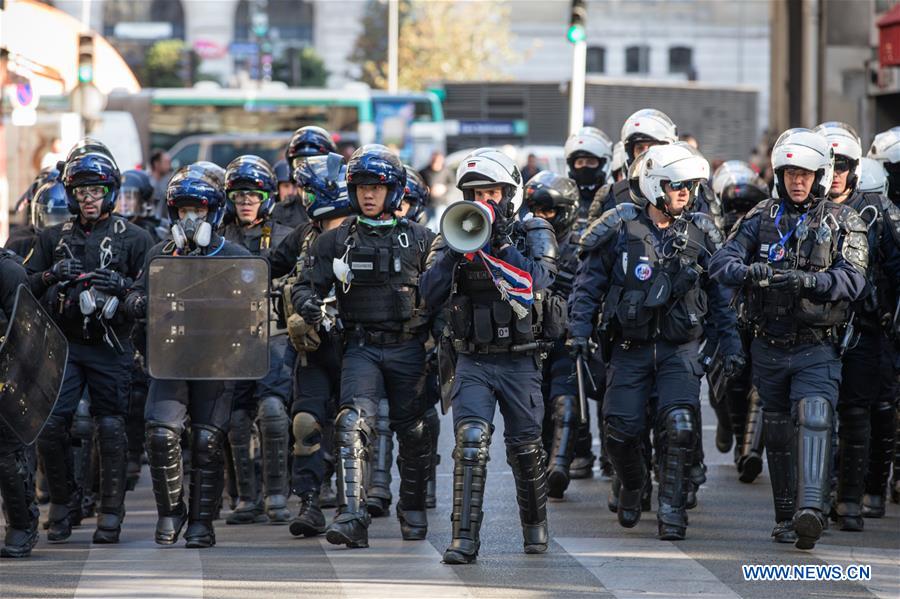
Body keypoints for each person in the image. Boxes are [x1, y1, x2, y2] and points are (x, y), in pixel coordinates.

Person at [570, 143, 739, 541]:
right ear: (653, 185)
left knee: (679, 427)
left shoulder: (702, 233)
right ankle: (632, 484)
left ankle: (673, 511)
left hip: (680, 351)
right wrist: (578, 332)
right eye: (676, 185)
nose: (685, 193)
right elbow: (587, 286)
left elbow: (720, 297)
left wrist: (729, 344)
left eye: (691, 186)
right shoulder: (619, 228)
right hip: (629, 349)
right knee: (620, 430)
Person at [709, 128, 868, 550]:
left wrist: (810, 281)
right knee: (777, 429)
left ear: (820, 175)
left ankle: (812, 510)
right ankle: (785, 518)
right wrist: (748, 272)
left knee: (815, 415)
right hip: (769, 344)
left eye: (806, 174)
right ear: (779, 175)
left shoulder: (844, 220)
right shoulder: (760, 216)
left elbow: (854, 279)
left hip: (818, 344)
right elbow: (721, 262)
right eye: (790, 173)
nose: (798, 181)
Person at [291, 144, 436, 549]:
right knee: (351, 423)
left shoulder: (424, 240)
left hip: (409, 347)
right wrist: (310, 306)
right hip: (360, 346)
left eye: (377, 187)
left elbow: (444, 294)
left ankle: (412, 507)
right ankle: (352, 516)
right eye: (360, 188)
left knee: (415, 431)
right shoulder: (334, 242)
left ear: (395, 190)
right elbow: (306, 286)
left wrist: (440, 342)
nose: (367, 195)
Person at [420, 148, 559, 564]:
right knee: (470, 441)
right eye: (476, 194)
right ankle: (463, 540)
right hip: (474, 360)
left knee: (525, 446)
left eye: (493, 193)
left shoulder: (533, 232)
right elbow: (427, 295)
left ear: (509, 194)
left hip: (520, 358)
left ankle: (535, 527)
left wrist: (500, 244)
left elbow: (538, 282)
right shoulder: (452, 235)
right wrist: (454, 254)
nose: (485, 202)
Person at [26, 139, 153, 544]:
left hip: (112, 345)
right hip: (64, 346)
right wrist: (50, 278)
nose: (89, 199)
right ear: (71, 194)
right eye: (81, 192)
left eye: (96, 191)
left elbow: (153, 296)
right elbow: (24, 288)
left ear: (110, 192)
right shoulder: (50, 238)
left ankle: (110, 511)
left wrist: (123, 288)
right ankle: (63, 503)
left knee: (111, 426)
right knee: (50, 426)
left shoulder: (135, 239)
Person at [125, 162, 250, 548]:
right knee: (161, 433)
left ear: (214, 213)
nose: (191, 218)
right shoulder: (158, 254)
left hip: (216, 362)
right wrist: (139, 302)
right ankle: (170, 510)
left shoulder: (236, 255)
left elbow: (252, 310)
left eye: (198, 210)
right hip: (171, 359)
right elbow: (134, 294)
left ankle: (202, 522)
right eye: (183, 211)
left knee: (207, 442)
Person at [814, 122, 900, 527]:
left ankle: (850, 498)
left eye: (843, 165)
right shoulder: (799, 207)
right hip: (812, 328)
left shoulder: (876, 210)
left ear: (855, 168)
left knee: (857, 412)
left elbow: (896, 268)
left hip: (865, 326)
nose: (835, 174)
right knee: (812, 415)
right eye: (828, 165)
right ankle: (812, 497)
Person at [267, 153, 352, 538]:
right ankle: (311, 502)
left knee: (355, 427)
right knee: (305, 424)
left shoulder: (365, 232)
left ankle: (359, 506)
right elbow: (264, 265)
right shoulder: (304, 234)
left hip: (358, 348)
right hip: (313, 350)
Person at [219, 155, 294, 525]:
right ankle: (245, 498)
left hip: (275, 334)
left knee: (273, 411)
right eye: (239, 195)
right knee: (235, 418)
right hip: (229, 339)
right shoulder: (217, 237)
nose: (246, 201)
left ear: (267, 197)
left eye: (253, 194)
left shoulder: (284, 235)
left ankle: (277, 494)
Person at [521, 170, 586, 499]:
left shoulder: (585, 242)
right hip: (528, 338)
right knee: (533, 408)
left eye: (548, 211)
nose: (541, 218)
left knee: (565, 401)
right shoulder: (521, 240)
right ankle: (539, 466)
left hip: (567, 336)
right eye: (535, 210)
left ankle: (560, 465)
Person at [708, 161, 770, 482]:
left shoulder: (765, 220)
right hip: (725, 311)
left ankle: (749, 450)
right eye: (734, 207)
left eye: (746, 206)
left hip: (758, 311)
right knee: (725, 381)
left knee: (758, 381)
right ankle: (729, 426)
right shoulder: (710, 225)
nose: (739, 213)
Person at [0, 251, 39, 558]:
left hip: (4, 374)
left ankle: (21, 524)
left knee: (7, 454)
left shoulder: (9, 272)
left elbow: (24, 332)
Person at [588, 109, 678, 219]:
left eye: (653, 146)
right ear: (631, 154)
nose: (646, 153)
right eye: (640, 148)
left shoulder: (687, 190)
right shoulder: (610, 195)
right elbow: (594, 234)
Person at [275, 125, 336, 228]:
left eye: (315, 163)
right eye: (300, 163)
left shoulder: (343, 207)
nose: (307, 170)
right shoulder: (280, 211)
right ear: (291, 167)